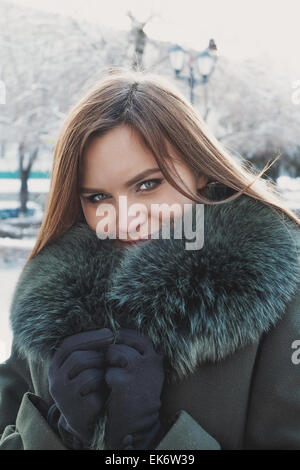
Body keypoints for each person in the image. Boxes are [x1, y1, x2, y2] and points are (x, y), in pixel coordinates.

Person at [0, 67, 300, 450]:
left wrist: (159, 445)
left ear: (201, 174)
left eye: (147, 184)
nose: (125, 218)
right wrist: (60, 434)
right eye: (97, 197)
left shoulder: (283, 296)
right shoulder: (48, 304)